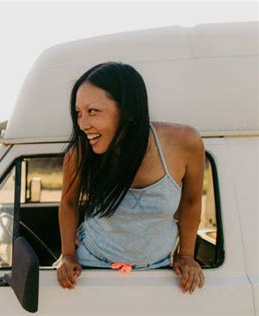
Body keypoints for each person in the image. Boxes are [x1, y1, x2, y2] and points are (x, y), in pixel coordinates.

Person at [56, 62, 205, 294]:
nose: (83, 124)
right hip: (91, 267)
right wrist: (67, 255)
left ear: (128, 110)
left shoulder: (184, 142)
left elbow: (191, 201)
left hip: (161, 269)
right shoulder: (79, 153)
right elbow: (68, 202)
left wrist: (186, 255)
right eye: (78, 113)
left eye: (92, 111)